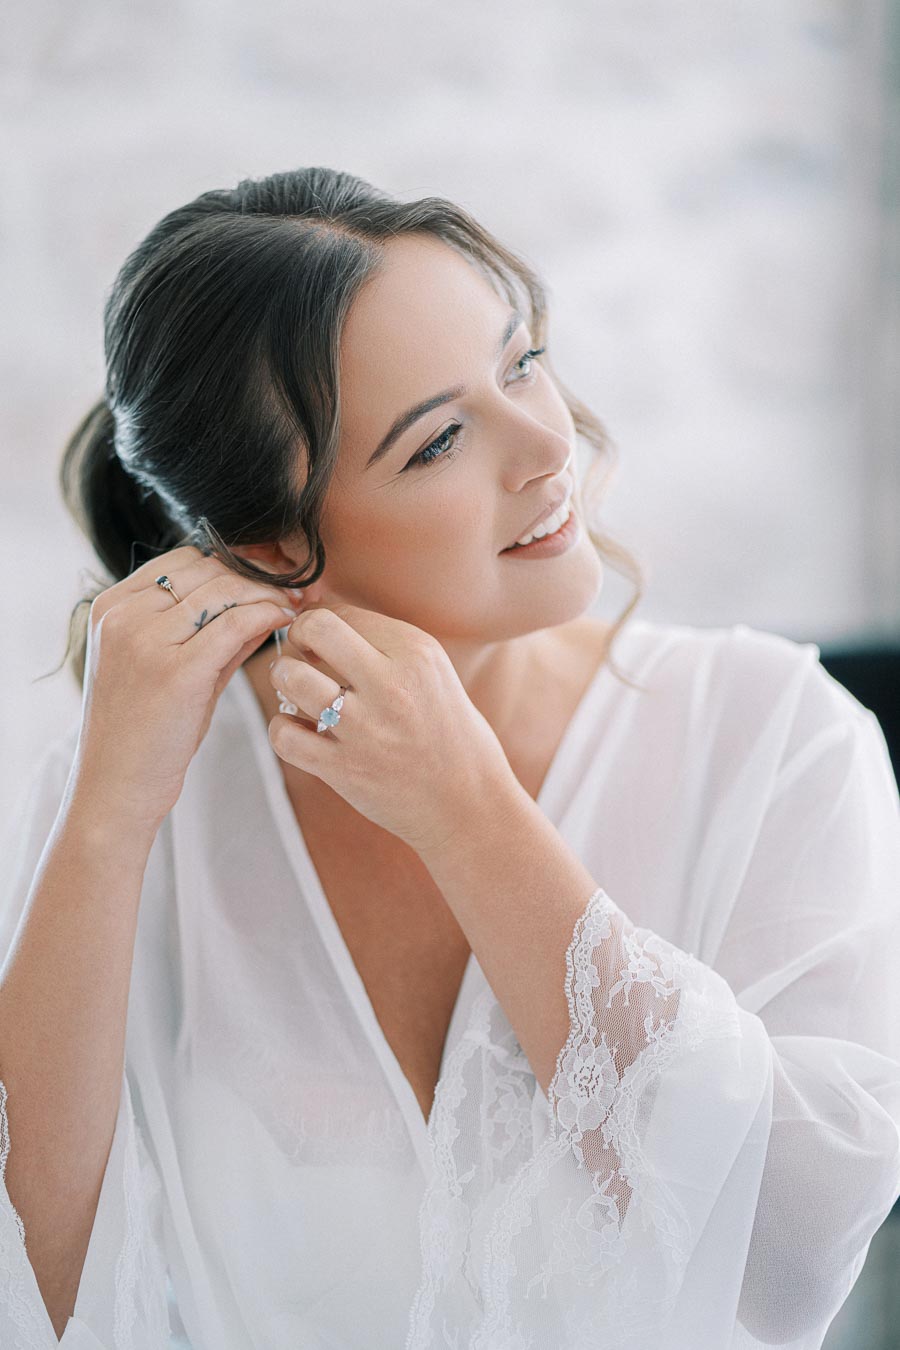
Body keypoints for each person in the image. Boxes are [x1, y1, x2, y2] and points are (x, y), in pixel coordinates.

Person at [1, 166, 898, 1350]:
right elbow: (34, 1282)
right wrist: (107, 822)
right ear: (271, 546)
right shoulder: (140, 802)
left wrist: (467, 808)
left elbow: (790, 1250)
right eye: (440, 441)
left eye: (522, 362)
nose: (548, 442)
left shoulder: (776, 735)